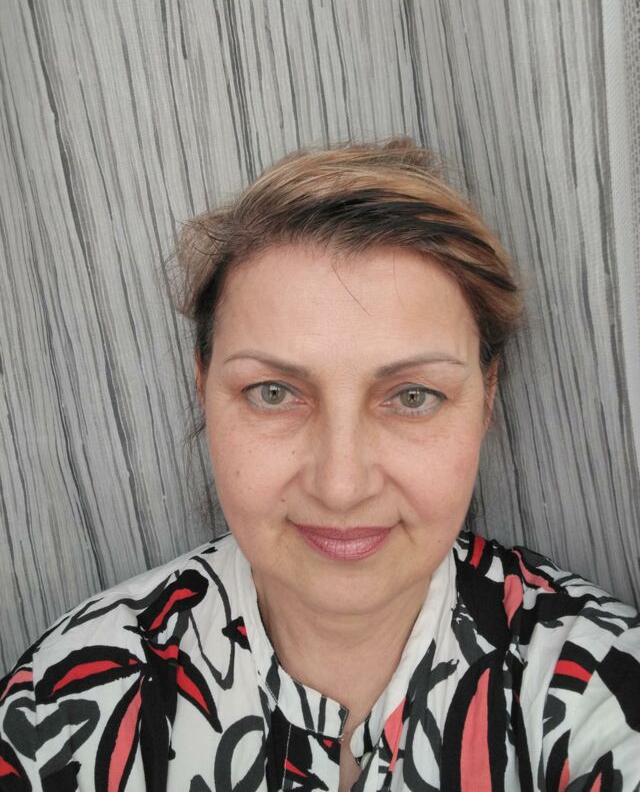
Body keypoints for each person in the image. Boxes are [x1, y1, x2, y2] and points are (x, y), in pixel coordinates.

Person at [1, 140, 638, 792]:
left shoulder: (603, 683)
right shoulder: (60, 705)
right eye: (273, 392)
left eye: (412, 397)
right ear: (202, 387)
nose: (340, 486)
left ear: (487, 396)